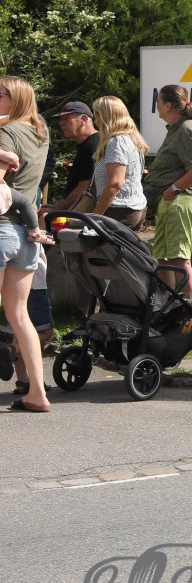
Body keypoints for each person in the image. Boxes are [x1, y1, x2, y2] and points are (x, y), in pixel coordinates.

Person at [0, 76, 53, 412]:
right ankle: (37, 393)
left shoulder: (6, 133)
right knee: (21, 316)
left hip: (2, 228)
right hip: (26, 236)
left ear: (14, 98)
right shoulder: (39, 132)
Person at [145, 84, 192, 303]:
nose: (156, 105)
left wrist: (173, 189)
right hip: (171, 202)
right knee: (163, 259)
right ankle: (170, 309)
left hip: (181, 201)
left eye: (158, 101)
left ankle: (189, 315)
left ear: (169, 106)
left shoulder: (187, 129)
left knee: (180, 261)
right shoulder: (176, 128)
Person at [89, 95, 150, 229]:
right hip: (134, 208)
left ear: (105, 117)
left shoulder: (117, 142)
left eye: (97, 115)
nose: (95, 120)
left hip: (118, 210)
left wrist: (95, 217)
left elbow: (115, 184)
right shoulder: (132, 139)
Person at [51, 100, 100, 212]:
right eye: (61, 119)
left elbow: (84, 187)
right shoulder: (86, 144)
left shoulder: (92, 145)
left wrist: (57, 209)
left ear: (84, 119)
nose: (61, 123)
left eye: (66, 118)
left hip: (87, 214)